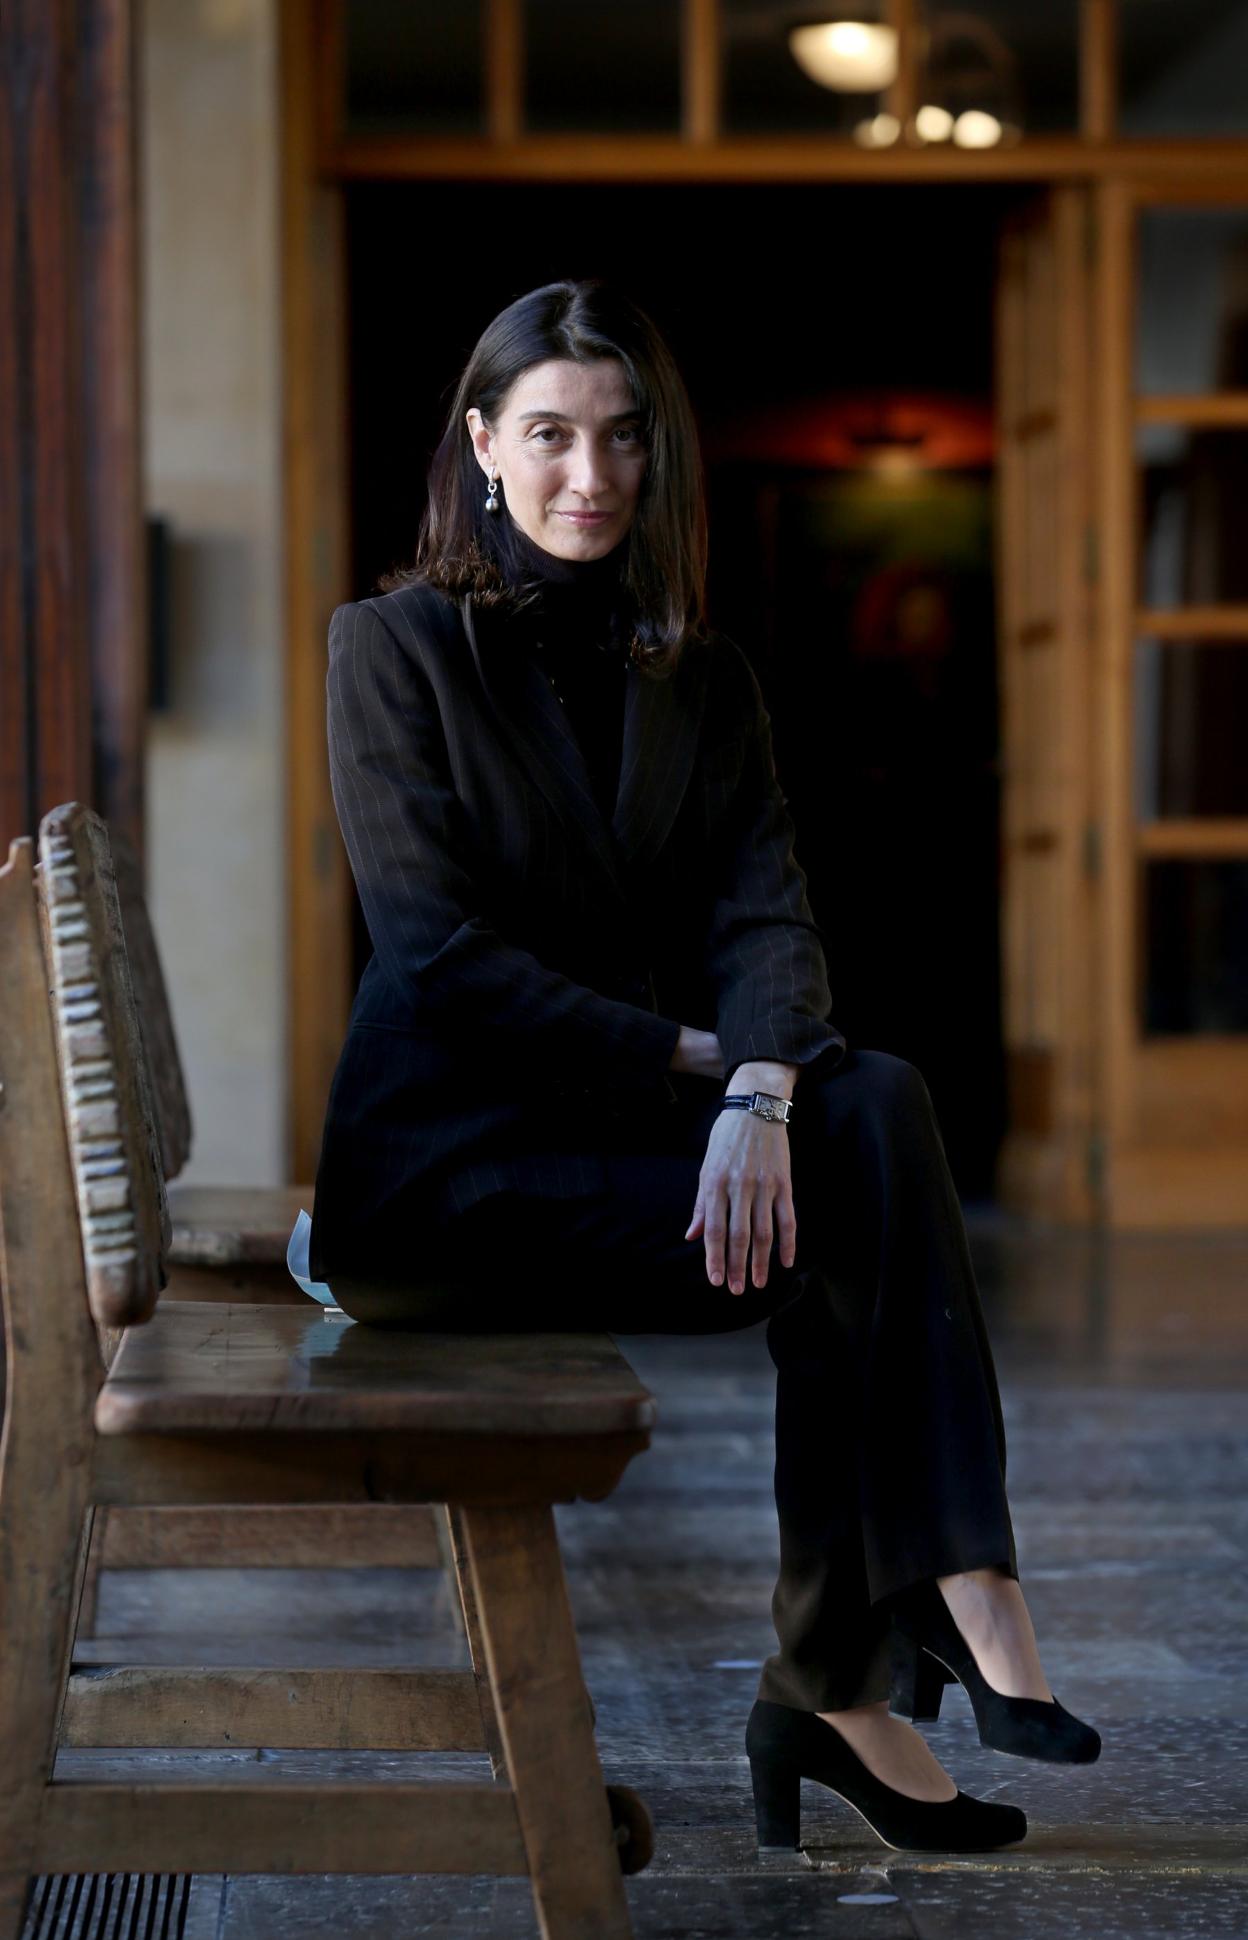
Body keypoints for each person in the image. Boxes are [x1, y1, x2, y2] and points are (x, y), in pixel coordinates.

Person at [306, 278, 1100, 1856]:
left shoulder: (706, 677)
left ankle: (921, 1616)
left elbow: (771, 922)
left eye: (620, 439)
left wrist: (762, 1081)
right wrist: (717, 1069)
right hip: (442, 1183)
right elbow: (438, 960)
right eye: (547, 436)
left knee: (871, 1105)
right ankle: (861, 1664)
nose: (586, 476)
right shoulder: (388, 650)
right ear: (481, 445)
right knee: (849, 1173)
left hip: (611, 1154)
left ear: (658, 458)